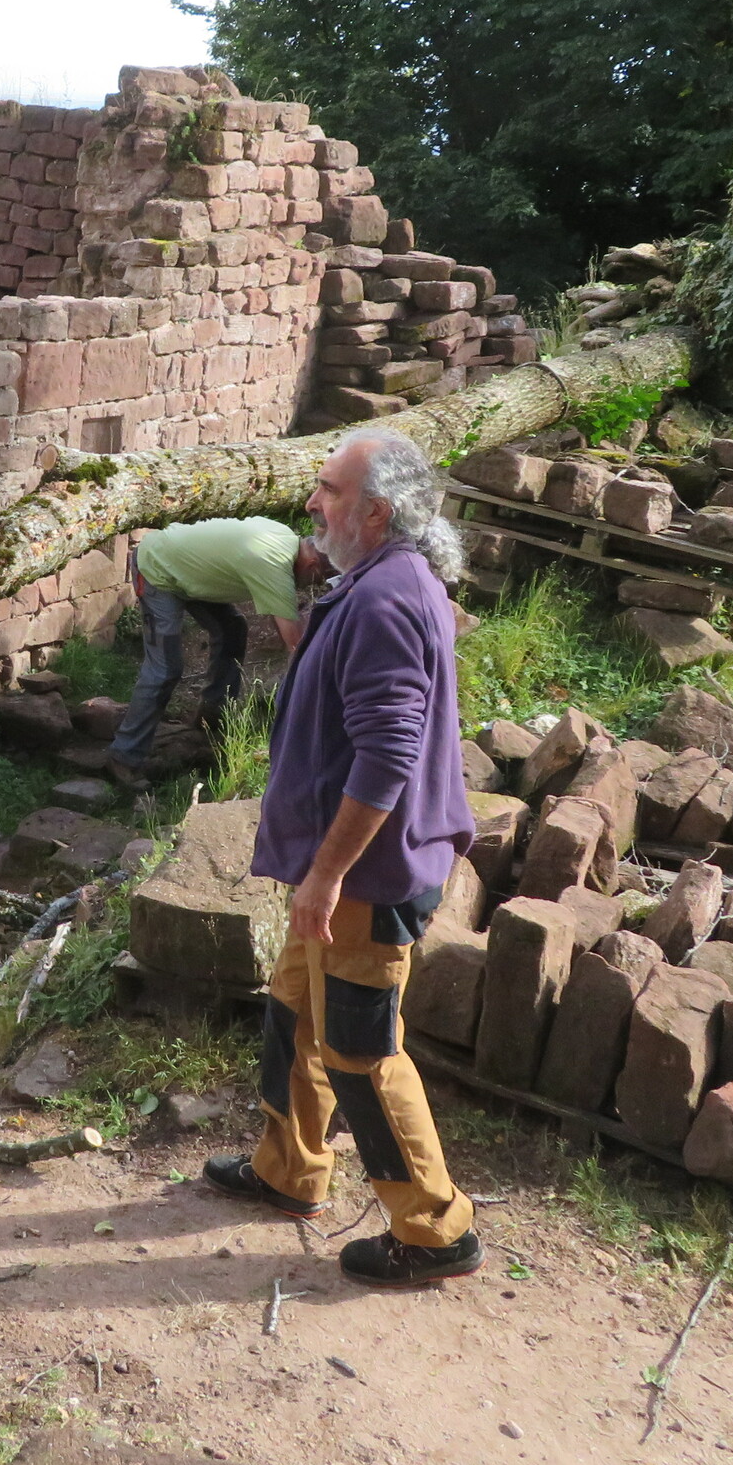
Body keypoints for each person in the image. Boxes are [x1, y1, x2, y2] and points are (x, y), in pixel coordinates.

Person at [203, 431, 483, 1287]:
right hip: (339, 876)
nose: (312, 504)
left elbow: (388, 754)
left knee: (361, 1050)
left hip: (364, 879)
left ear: (377, 512)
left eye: (328, 490)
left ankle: (436, 1231)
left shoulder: (386, 600)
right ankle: (289, 1171)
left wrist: (325, 876)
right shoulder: (374, 580)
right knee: (294, 1014)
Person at [107, 517, 331, 789]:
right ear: (312, 565)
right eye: (318, 579)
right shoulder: (273, 564)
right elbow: (296, 646)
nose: (311, 586)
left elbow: (283, 622)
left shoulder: (283, 536)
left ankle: (211, 719)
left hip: (189, 570)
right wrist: (312, 703)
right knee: (164, 669)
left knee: (232, 630)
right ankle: (124, 756)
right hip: (156, 568)